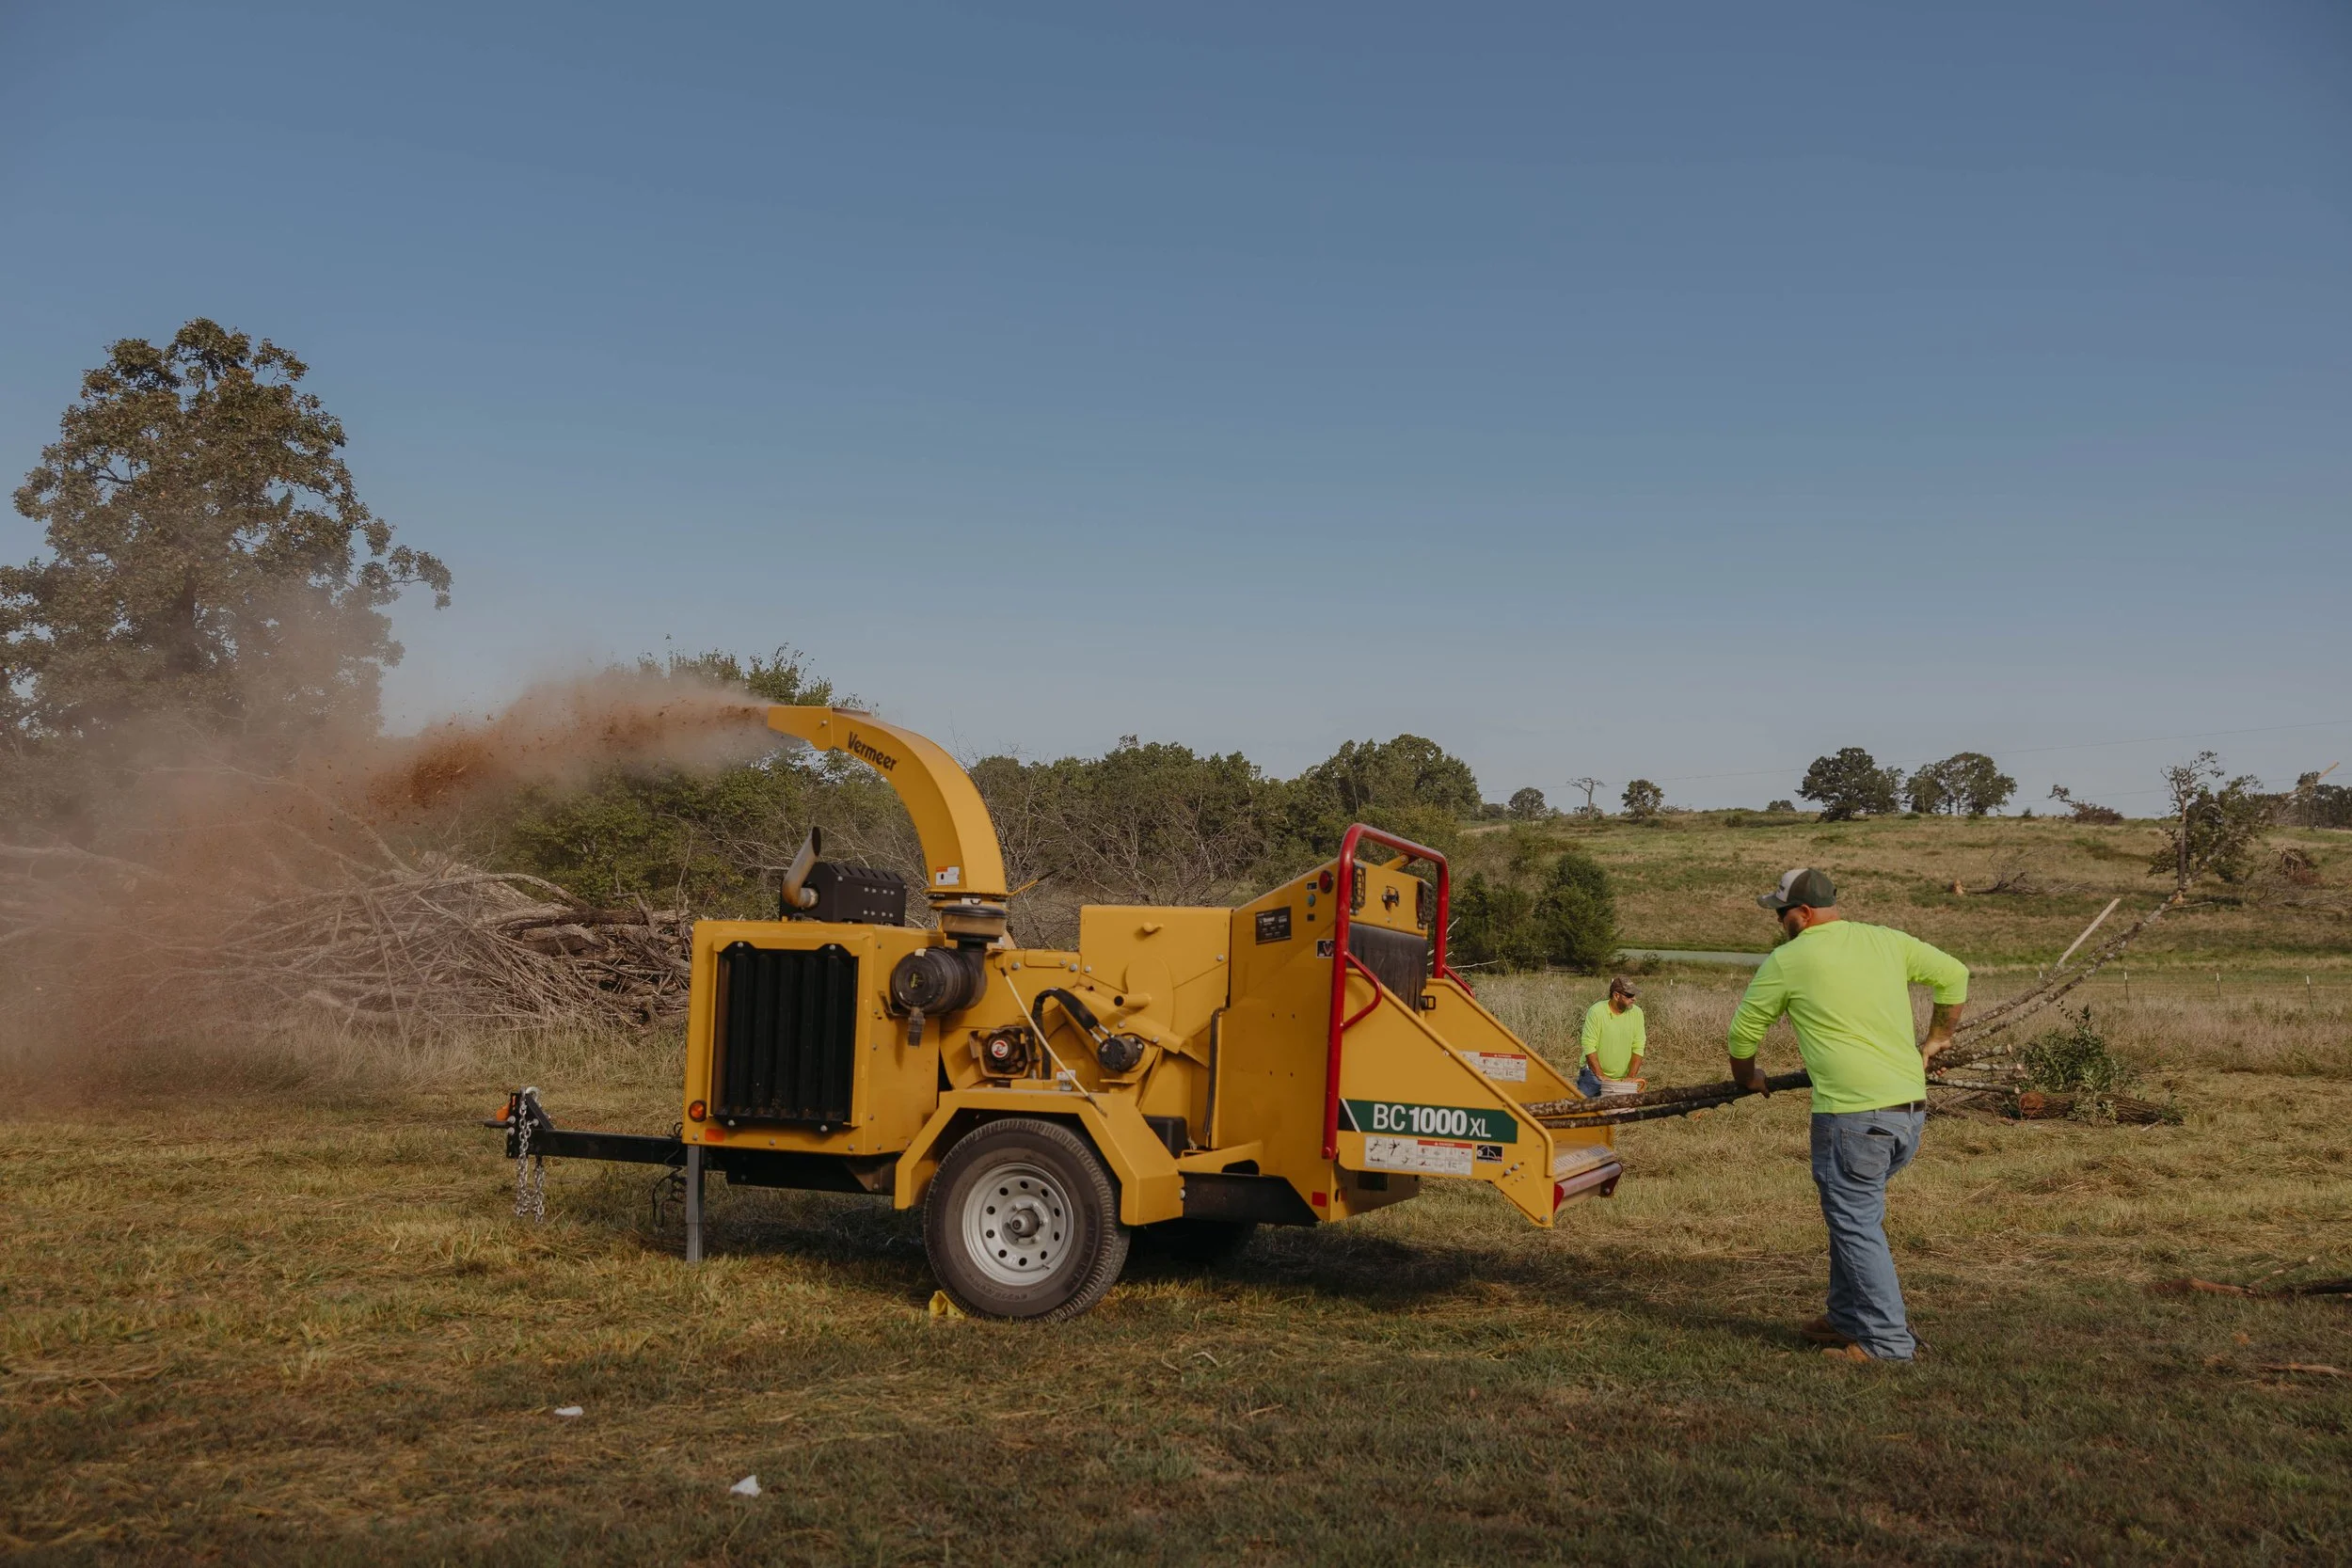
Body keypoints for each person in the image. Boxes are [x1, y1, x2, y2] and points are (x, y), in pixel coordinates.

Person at [1726, 868, 1966, 1364]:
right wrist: (1938, 1037)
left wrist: (1747, 1078)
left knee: (1856, 1224)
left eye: (1781, 912)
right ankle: (1844, 1317)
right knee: (1854, 1216)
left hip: (1853, 1118)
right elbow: (1955, 975)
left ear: (1804, 913)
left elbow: (1743, 1035)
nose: (1778, 922)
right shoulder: (1886, 941)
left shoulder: (1789, 959)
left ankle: (1886, 1344)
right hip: (1908, 1113)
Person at [1578, 977, 1645, 1096]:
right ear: (1616, 995)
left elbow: (1638, 1046)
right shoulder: (1596, 1011)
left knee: (1618, 1113)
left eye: (1634, 995)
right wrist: (1600, 1075)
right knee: (1586, 1112)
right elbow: (1588, 1045)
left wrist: (1631, 1077)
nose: (1634, 999)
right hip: (1593, 1076)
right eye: (1629, 996)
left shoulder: (1637, 1013)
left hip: (1622, 1078)